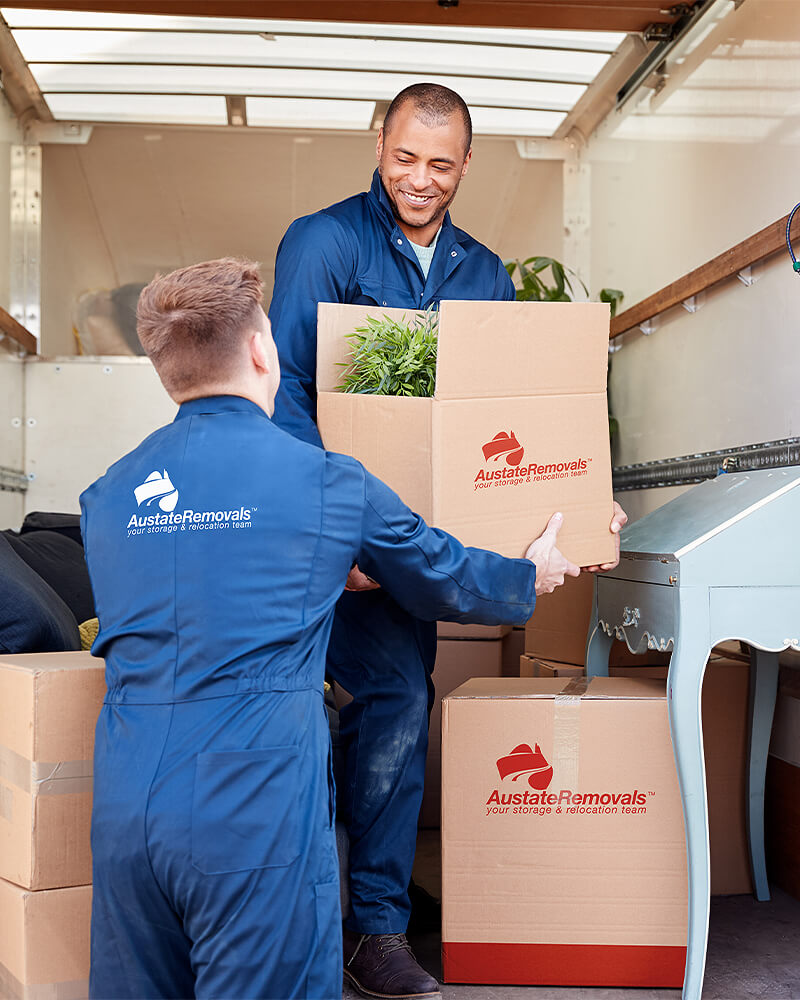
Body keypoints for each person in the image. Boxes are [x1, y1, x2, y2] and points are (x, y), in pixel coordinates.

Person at [80, 256, 582, 1000]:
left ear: (165, 370)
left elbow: (205, 584)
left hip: (124, 808)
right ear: (261, 350)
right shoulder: (326, 481)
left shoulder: (106, 495)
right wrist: (528, 573)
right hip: (250, 808)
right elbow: (440, 572)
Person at [269, 82, 626, 999]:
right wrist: (330, 533)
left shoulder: (485, 272)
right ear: (377, 146)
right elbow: (289, 396)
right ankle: (321, 918)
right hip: (334, 535)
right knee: (316, 712)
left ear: (467, 165)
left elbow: (507, 418)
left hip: (423, 541)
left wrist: (582, 501)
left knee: (394, 707)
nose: (418, 180)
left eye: (439, 164)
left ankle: (375, 929)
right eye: (403, 158)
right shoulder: (324, 242)